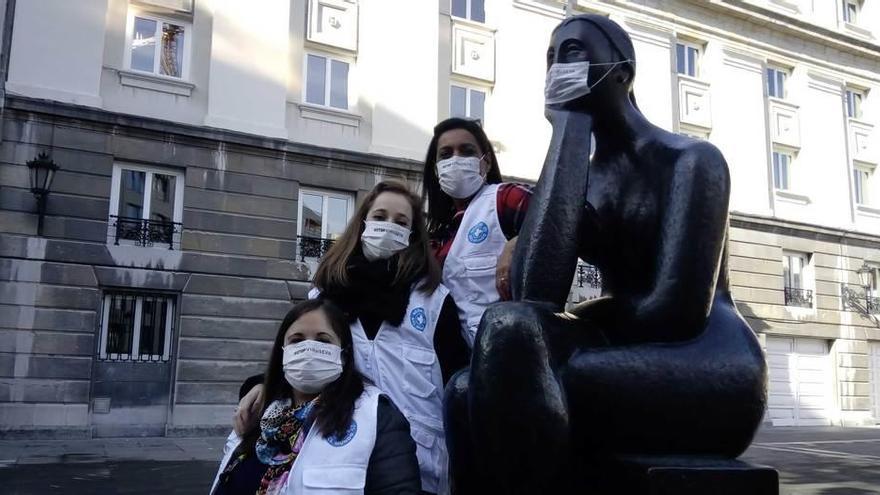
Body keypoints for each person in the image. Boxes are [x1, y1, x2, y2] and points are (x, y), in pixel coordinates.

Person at [235, 180, 469, 495]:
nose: (389, 227)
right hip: (336, 464)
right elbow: (299, 359)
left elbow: (460, 384)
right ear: (362, 224)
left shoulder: (434, 301)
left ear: (414, 235)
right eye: (380, 217)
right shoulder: (325, 294)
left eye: (401, 222)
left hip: (420, 468)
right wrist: (263, 385)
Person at [211, 298, 420, 495]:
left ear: (344, 354)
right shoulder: (259, 413)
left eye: (323, 340)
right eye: (297, 340)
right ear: (282, 352)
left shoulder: (376, 417)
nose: (309, 349)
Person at [422, 118, 532, 347]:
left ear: (487, 162)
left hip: (511, 350)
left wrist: (518, 242)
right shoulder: (436, 235)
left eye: (467, 151)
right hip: (458, 361)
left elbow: (558, 218)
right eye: (446, 154)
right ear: (436, 168)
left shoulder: (503, 198)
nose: (456, 160)